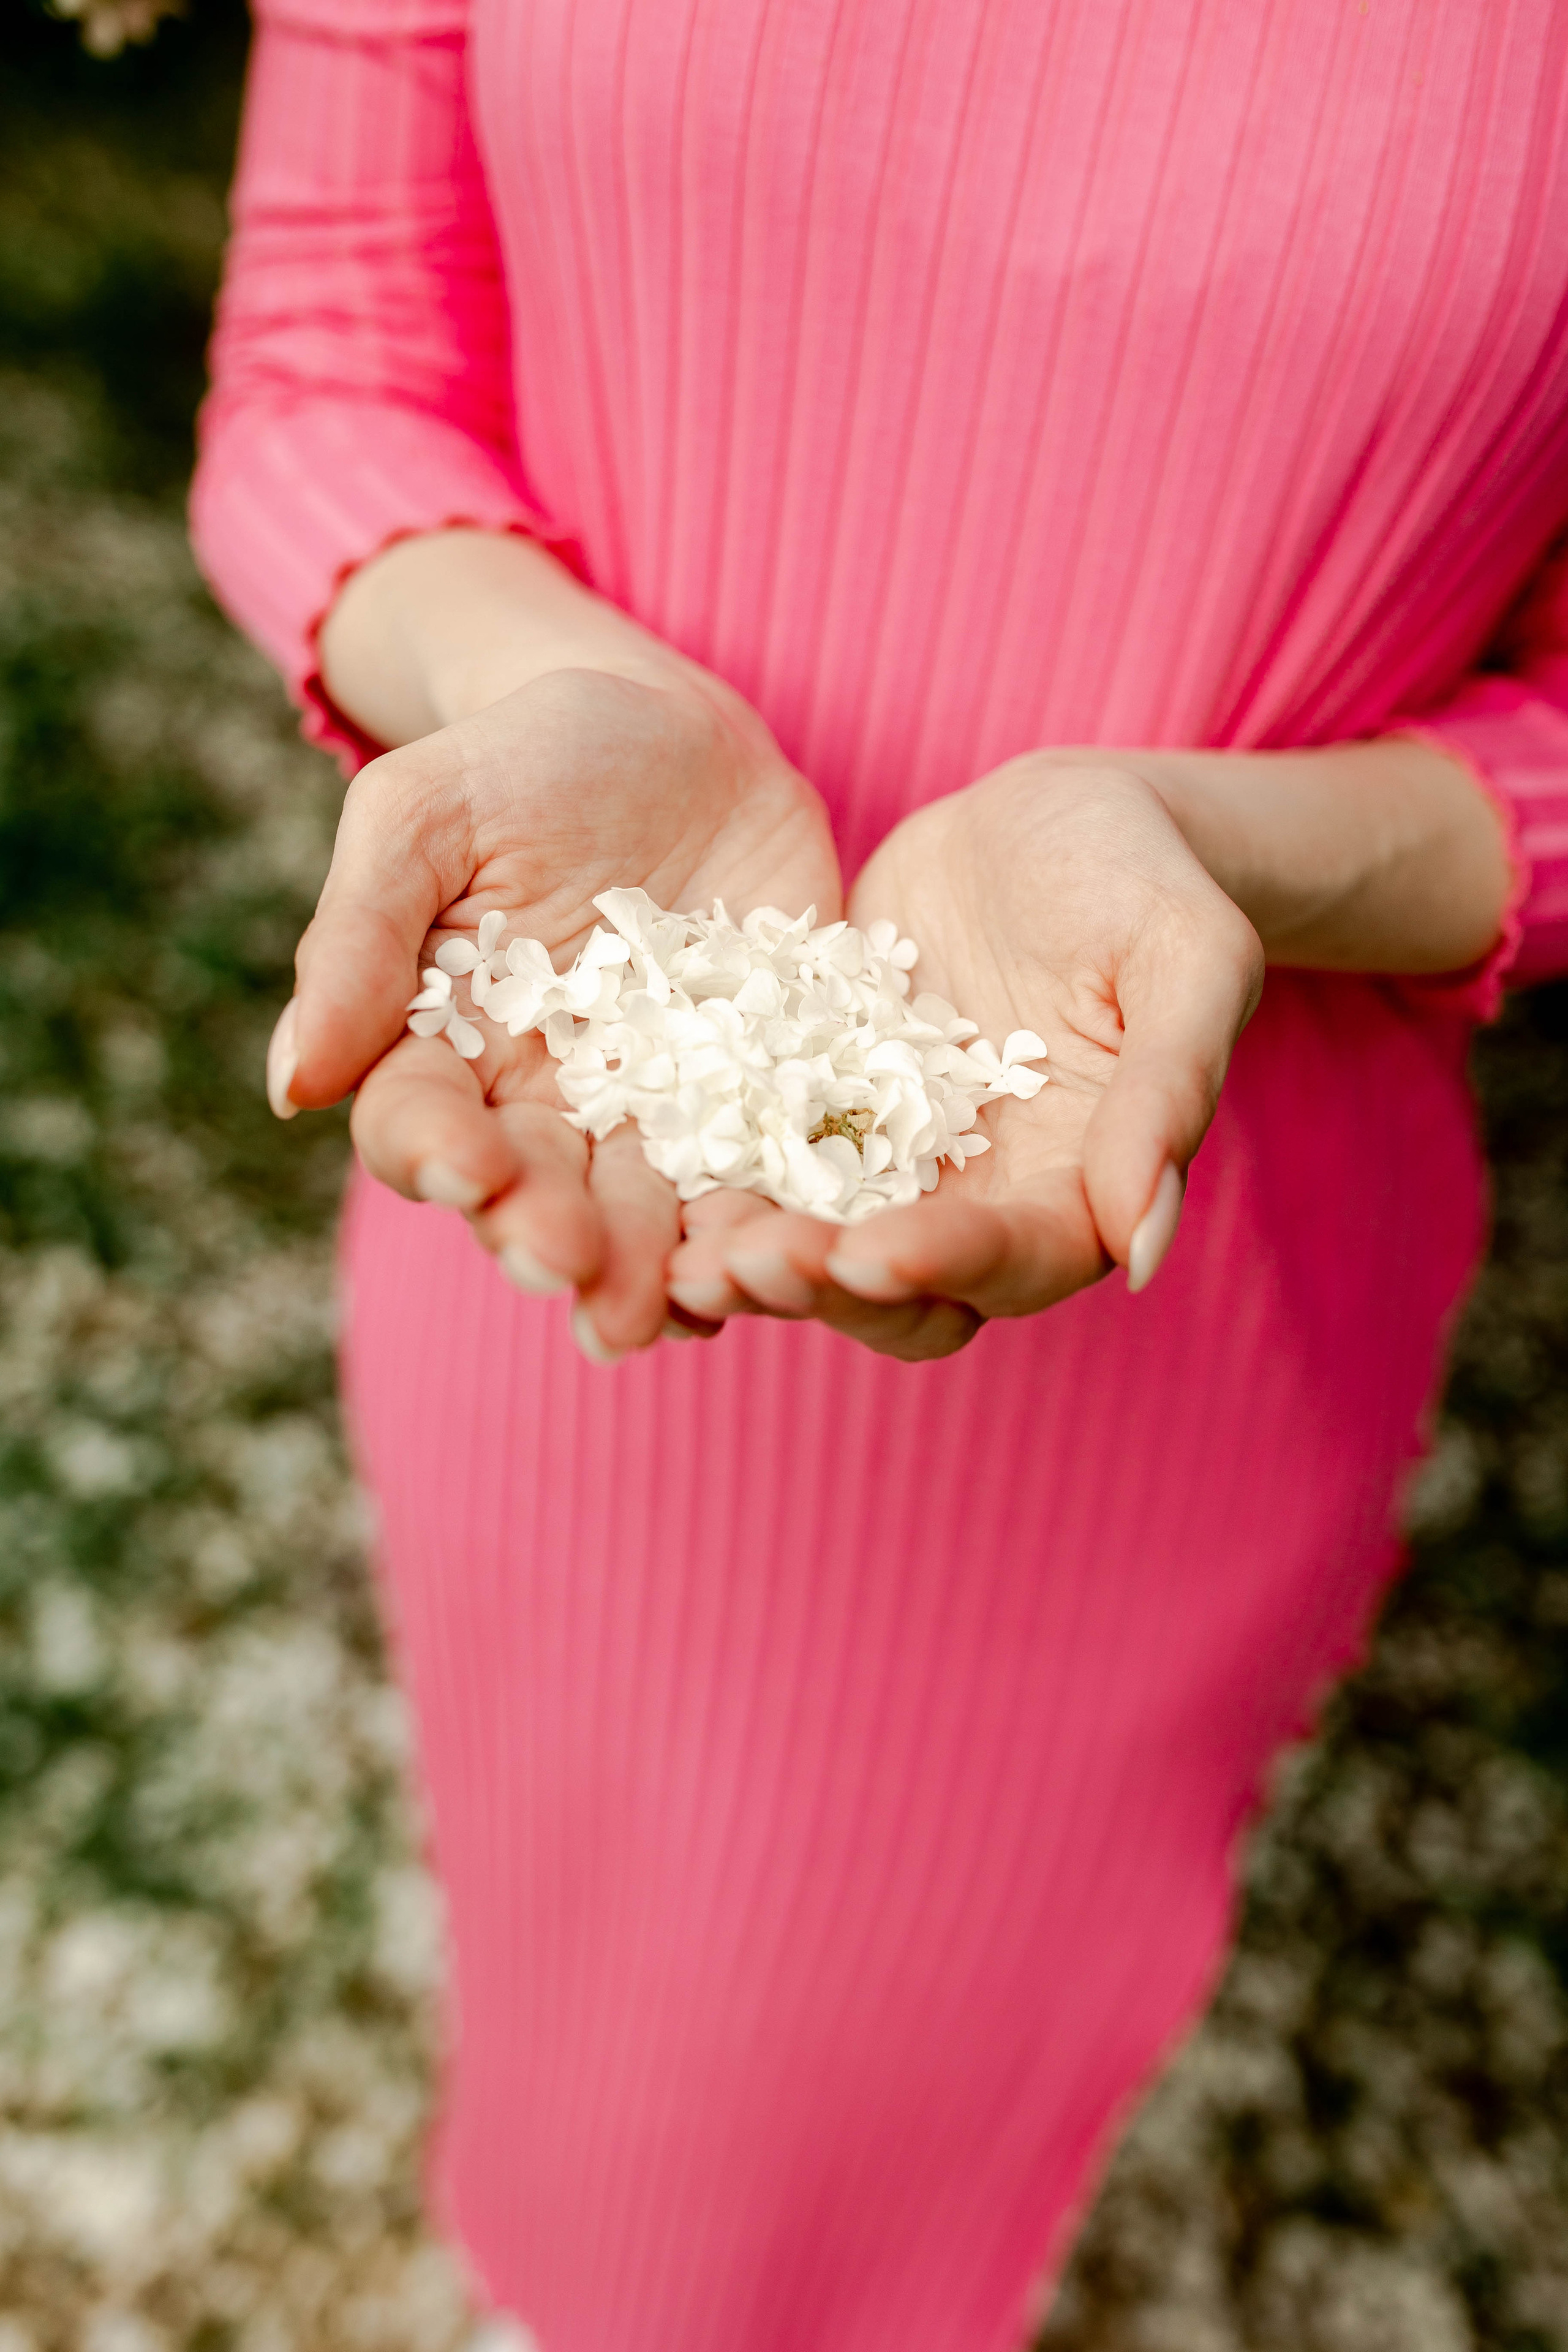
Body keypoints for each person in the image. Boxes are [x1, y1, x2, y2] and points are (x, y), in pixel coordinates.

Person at [190, 2, 1568, 2343]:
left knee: (862, 2117)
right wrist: (534, 678)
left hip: (1164, 1239)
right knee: (599, 2019)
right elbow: (333, 335)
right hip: (585, 1146)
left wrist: (1226, 849)